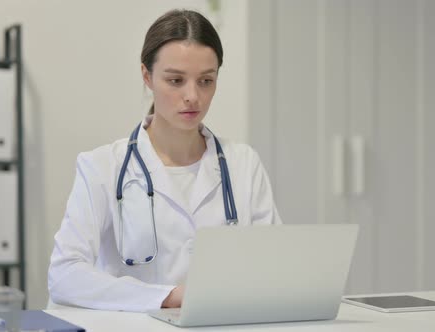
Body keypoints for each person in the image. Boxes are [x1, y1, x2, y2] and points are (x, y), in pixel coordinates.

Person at [48, 9, 282, 312]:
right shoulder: (103, 167)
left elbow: (274, 267)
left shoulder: (243, 164)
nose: (192, 96)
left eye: (206, 81)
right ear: (147, 76)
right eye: (176, 80)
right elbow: (64, 275)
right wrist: (167, 298)